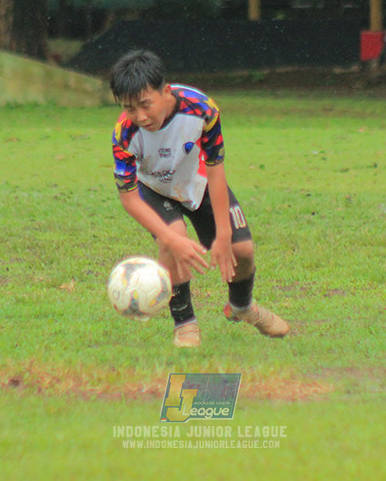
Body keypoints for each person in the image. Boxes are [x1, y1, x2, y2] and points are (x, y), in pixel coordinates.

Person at [109, 49, 289, 347]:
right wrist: (170, 238)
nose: (140, 116)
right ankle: (185, 323)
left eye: (145, 105)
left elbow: (217, 171)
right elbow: (129, 199)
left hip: (198, 182)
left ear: (165, 92)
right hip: (153, 189)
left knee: (241, 250)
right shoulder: (124, 134)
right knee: (173, 238)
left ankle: (242, 307)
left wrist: (223, 234)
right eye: (129, 109)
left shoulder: (202, 109)